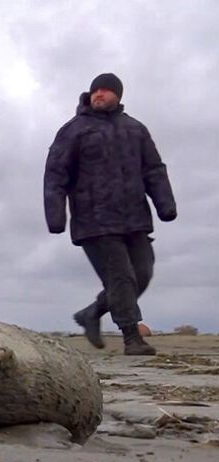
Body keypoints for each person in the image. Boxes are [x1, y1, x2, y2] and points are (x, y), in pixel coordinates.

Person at [45, 73, 176, 356]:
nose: (99, 94)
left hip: (135, 218)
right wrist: (56, 216)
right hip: (95, 220)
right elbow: (56, 174)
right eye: (95, 90)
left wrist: (165, 204)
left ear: (118, 95)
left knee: (142, 273)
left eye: (105, 90)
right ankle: (132, 337)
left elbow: (153, 169)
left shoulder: (136, 129)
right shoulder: (74, 130)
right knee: (121, 277)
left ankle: (92, 313)